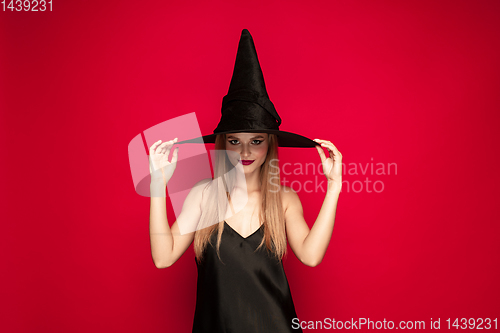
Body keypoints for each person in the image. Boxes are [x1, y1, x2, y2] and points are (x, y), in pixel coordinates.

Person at [148, 30, 342, 333]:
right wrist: (158, 186)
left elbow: (311, 255)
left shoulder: (284, 199)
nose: (246, 151)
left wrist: (334, 188)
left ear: (269, 145)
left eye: (256, 141)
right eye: (235, 141)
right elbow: (163, 258)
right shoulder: (203, 195)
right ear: (223, 144)